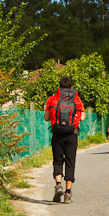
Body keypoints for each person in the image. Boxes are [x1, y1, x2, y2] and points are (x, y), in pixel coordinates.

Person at [44, 76, 86, 204]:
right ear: (71, 87)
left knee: (57, 161)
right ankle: (68, 193)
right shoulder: (77, 100)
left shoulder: (52, 99)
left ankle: (58, 185)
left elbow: (46, 118)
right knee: (70, 162)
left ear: (60, 87)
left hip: (57, 134)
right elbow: (83, 117)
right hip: (71, 135)